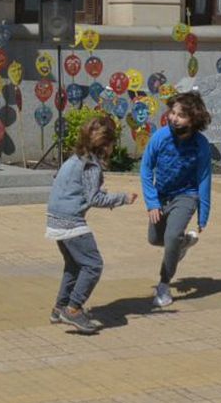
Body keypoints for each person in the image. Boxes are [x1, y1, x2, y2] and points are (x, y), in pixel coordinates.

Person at [45, 115, 137, 334]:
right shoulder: (91, 165)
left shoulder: (75, 158)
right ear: (106, 144)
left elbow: (73, 187)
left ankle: (59, 308)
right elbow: (94, 198)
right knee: (93, 265)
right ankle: (74, 309)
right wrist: (122, 198)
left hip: (55, 219)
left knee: (74, 266)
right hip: (71, 222)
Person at [140, 91, 212, 309]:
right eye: (173, 112)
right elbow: (145, 169)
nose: (173, 118)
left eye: (180, 115)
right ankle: (181, 245)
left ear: (193, 119)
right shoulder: (160, 137)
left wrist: (204, 212)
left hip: (186, 195)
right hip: (161, 196)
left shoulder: (201, 145)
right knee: (155, 239)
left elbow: (204, 178)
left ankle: (164, 285)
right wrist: (152, 202)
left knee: (171, 237)